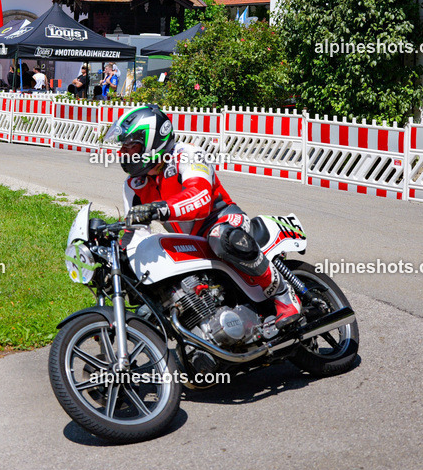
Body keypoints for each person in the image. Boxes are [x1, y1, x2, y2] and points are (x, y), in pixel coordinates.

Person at [104, 104, 303, 329]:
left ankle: (284, 296)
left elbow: (199, 198)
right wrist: (116, 259)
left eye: (133, 146)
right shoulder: (134, 184)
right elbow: (135, 234)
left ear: (152, 141)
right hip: (191, 241)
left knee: (221, 237)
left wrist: (159, 208)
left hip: (223, 220)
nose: (126, 153)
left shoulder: (186, 154)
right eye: (124, 147)